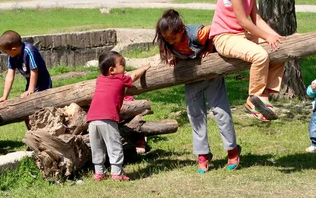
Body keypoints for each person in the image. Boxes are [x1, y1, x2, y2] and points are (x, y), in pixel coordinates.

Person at [154, 9, 241, 173]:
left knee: (221, 113)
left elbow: (214, 28)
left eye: (173, 38)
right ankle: (203, 154)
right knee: (195, 116)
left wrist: (209, 47)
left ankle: (232, 150)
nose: (171, 42)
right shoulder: (168, 41)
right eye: (167, 39)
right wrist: (177, 58)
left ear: (181, 30)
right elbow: (177, 49)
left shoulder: (197, 34)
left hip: (211, 76)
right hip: (192, 79)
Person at [209, 0, 285, 122]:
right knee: (260, 56)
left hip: (240, 36)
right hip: (224, 37)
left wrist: (274, 36)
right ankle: (253, 99)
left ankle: (264, 96)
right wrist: (266, 37)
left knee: (281, 49)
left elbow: (256, 18)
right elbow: (243, 21)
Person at [87, 50, 150, 181]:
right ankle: (116, 173)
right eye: (122, 64)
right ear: (112, 70)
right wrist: (143, 68)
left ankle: (99, 172)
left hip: (92, 119)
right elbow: (133, 76)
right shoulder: (120, 78)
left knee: (97, 146)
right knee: (114, 145)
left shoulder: (100, 79)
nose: (124, 66)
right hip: (108, 118)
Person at [0, 30, 52, 104]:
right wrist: (4, 97)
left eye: (6, 52)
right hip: (30, 83)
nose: (7, 54)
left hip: (43, 84)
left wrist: (31, 90)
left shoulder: (29, 51)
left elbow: (34, 71)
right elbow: (10, 76)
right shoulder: (12, 56)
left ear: (14, 49)